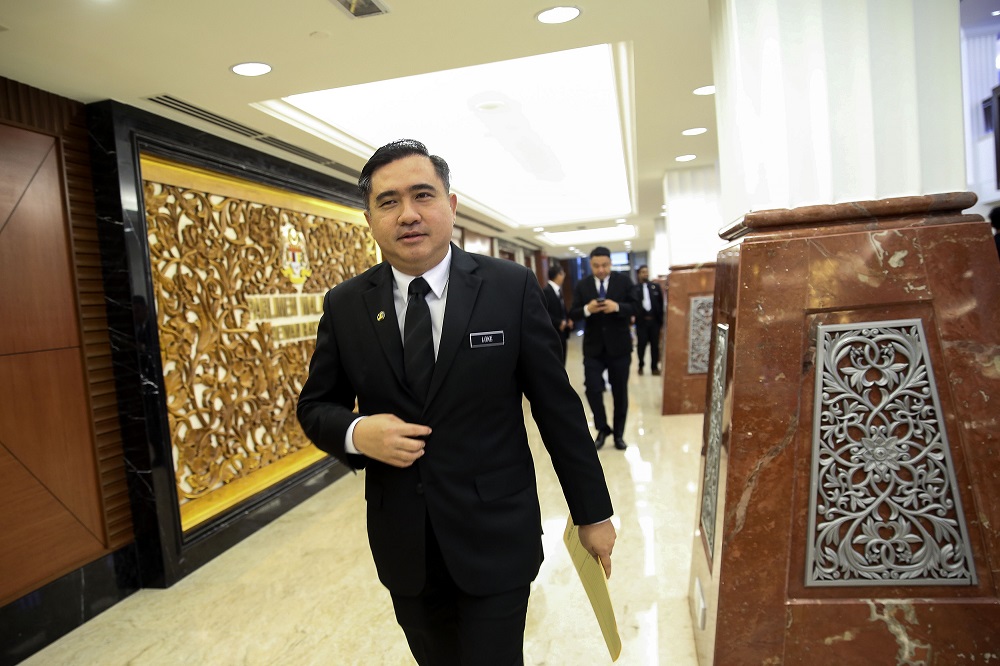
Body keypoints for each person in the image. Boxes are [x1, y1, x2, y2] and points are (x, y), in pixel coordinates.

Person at [296, 139, 616, 666]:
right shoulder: (346, 305)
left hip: (496, 533)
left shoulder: (507, 287)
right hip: (406, 544)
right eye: (389, 201)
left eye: (423, 195)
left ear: (451, 204)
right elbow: (316, 406)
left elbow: (558, 410)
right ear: (370, 218)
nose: (409, 214)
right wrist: (359, 433)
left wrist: (593, 513)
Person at [569, 247, 637, 451]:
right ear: (591, 265)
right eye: (596, 266)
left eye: (605, 265)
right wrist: (587, 310)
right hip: (593, 348)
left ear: (611, 263)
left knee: (620, 393)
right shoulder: (583, 285)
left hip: (619, 348)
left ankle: (618, 435)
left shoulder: (624, 282)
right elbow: (573, 313)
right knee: (592, 388)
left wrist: (616, 307)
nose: (601, 270)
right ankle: (602, 428)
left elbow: (636, 308)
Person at [632, 265, 664, 375]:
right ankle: (641, 365)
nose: (645, 274)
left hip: (654, 322)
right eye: (643, 272)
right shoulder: (634, 289)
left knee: (655, 346)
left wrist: (661, 321)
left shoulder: (655, 287)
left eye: (647, 271)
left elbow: (660, 303)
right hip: (641, 323)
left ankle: (654, 367)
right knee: (641, 345)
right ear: (638, 274)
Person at [543, 263, 572, 364]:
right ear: (558, 275)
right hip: (554, 333)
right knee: (556, 362)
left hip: (563, 333)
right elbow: (544, 313)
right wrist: (559, 322)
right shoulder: (546, 292)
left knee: (562, 361)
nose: (564, 276)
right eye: (563, 273)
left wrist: (568, 320)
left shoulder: (559, 291)